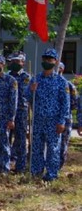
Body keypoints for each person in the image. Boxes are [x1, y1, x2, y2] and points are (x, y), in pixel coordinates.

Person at [27, 48, 69, 182]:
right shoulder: (36, 79)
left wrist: (62, 121)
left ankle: (51, 175)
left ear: (55, 61)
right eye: (45, 59)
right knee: (37, 147)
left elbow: (65, 104)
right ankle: (36, 172)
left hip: (53, 121)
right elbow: (27, 97)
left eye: (50, 59)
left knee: (53, 148)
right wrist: (31, 90)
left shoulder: (61, 82)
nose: (47, 62)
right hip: (38, 119)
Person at [7, 52, 30, 173]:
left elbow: (30, 96)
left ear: (23, 63)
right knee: (6, 138)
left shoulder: (27, 77)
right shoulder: (7, 77)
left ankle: (20, 166)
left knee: (20, 139)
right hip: (8, 111)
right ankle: (5, 164)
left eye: (18, 62)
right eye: (14, 61)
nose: (15, 64)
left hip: (22, 111)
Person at [57, 62, 77, 170]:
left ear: (62, 70)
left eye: (59, 68)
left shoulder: (69, 85)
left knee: (63, 143)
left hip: (66, 119)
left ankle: (59, 166)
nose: (57, 70)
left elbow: (74, 103)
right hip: (53, 118)